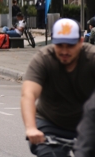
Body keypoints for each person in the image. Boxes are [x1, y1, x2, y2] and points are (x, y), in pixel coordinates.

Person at [21, 18, 95, 157]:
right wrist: (31, 128)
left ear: (80, 42)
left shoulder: (91, 57)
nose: (65, 51)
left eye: (70, 45)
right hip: (51, 123)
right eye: (60, 45)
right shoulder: (43, 59)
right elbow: (28, 94)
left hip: (88, 123)